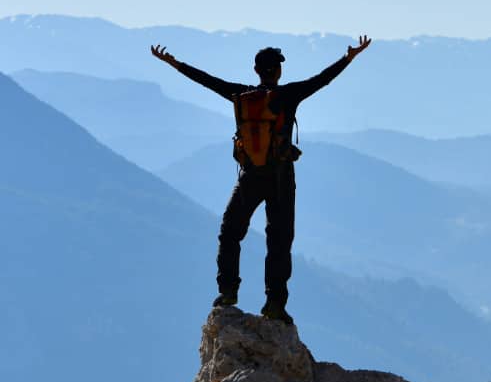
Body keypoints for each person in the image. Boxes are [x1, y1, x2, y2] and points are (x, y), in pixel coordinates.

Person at [151, 36, 371, 324]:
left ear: (256, 70)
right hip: (281, 178)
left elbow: (207, 80)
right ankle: (275, 304)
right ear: (277, 71)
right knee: (279, 241)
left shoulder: (241, 95)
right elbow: (322, 80)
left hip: (250, 177)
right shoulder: (288, 95)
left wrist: (174, 63)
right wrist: (349, 57)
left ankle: (228, 292)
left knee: (230, 232)